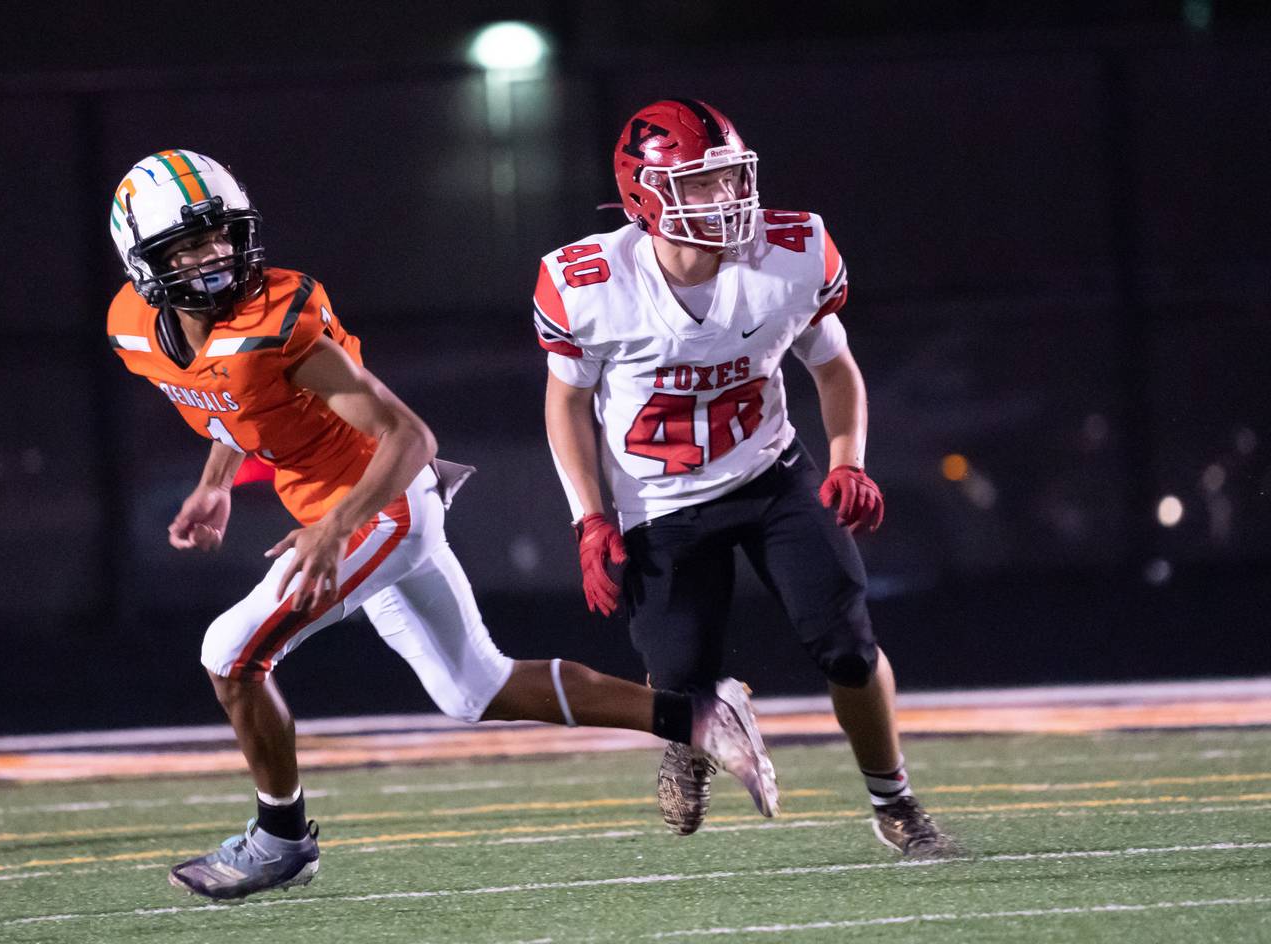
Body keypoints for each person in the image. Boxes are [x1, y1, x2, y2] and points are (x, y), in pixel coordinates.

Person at [105, 149, 780, 900]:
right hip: (351, 510)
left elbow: (410, 438)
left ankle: (282, 838)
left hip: (382, 502)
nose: (214, 256)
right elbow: (230, 409)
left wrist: (333, 530)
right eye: (189, 245)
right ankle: (700, 715)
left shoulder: (274, 323)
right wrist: (215, 485)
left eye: (222, 236)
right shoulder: (135, 328)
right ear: (144, 259)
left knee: (228, 653)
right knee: (476, 688)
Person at [537, 101, 953, 857]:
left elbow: (835, 367)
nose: (727, 200)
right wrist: (589, 516)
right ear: (646, 194)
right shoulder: (587, 280)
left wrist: (849, 458)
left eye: (732, 178)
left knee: (849, 645)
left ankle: (896, 802)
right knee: (679, 676)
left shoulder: (792, 253)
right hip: (658, 502)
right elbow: (565, 401)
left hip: (769, 475)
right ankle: (687, 737)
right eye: (701, 185)